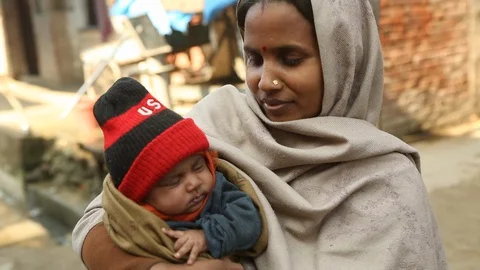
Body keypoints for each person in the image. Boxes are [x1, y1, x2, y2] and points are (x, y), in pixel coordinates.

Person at [73, 0, 448, 269]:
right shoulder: (218, 120)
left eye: (291, 59)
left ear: (344, 59)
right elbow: (95, 220)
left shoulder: (389, 185)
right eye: (254, 58)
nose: (265, 82)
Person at [92, 77, 267, 265]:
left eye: (198, 166)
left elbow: (249, 221)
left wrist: (207, 236)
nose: (194, 183)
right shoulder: (134, 221)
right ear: (142, 196)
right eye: (175, 181)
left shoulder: (218, 192)